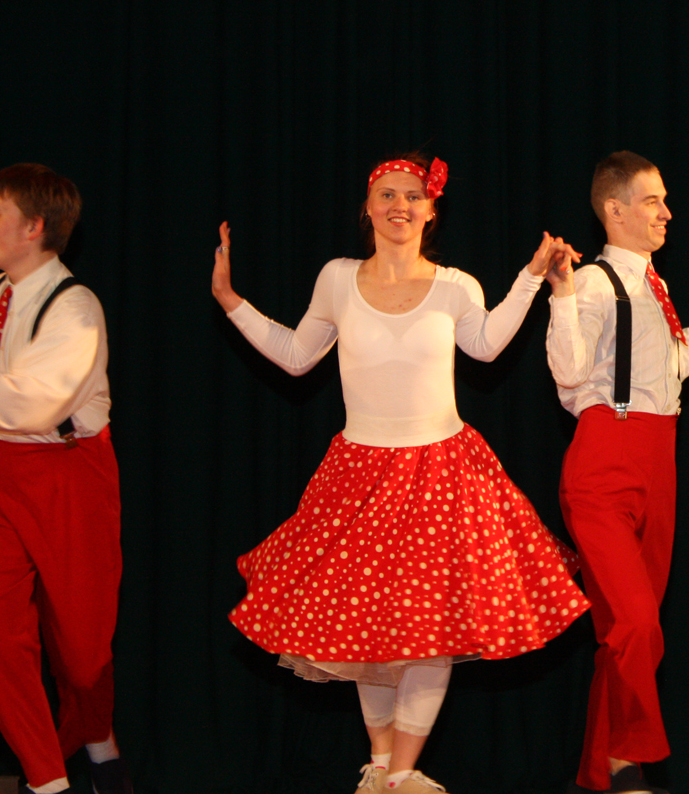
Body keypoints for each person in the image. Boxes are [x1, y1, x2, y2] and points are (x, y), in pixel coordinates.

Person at [211, 154, 591, 794]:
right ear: (367, 207)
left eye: (414, 195)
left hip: (440, 470)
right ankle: (383, 767)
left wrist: (531, 278)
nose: (400, 206)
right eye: (387, 194)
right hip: (360, 472)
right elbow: (298, 355)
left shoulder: (455, 286)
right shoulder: (337, 278)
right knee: (371, 625)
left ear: (431, 210)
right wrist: (230, 301)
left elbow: (486, 347)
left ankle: (404, 771)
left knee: (428, 627)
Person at [545, 151, 689, 794]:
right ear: (615, 209)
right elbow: (569, 373)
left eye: (665, 201)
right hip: (605, 459)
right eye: (653, 201)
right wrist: (562, 295)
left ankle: (602, 772)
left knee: (628, 636)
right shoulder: (595, 283)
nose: (666, 213)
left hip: (659, 460)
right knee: (636, 624)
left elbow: (676, 364)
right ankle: (632, 762)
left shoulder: (656, 287)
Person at [0, 163, 134, 794]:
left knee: (82, 646)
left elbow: (30, 403)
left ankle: (98, 742)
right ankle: (47, 780)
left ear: (34, 226)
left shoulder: (75, 308)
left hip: (68, 476)